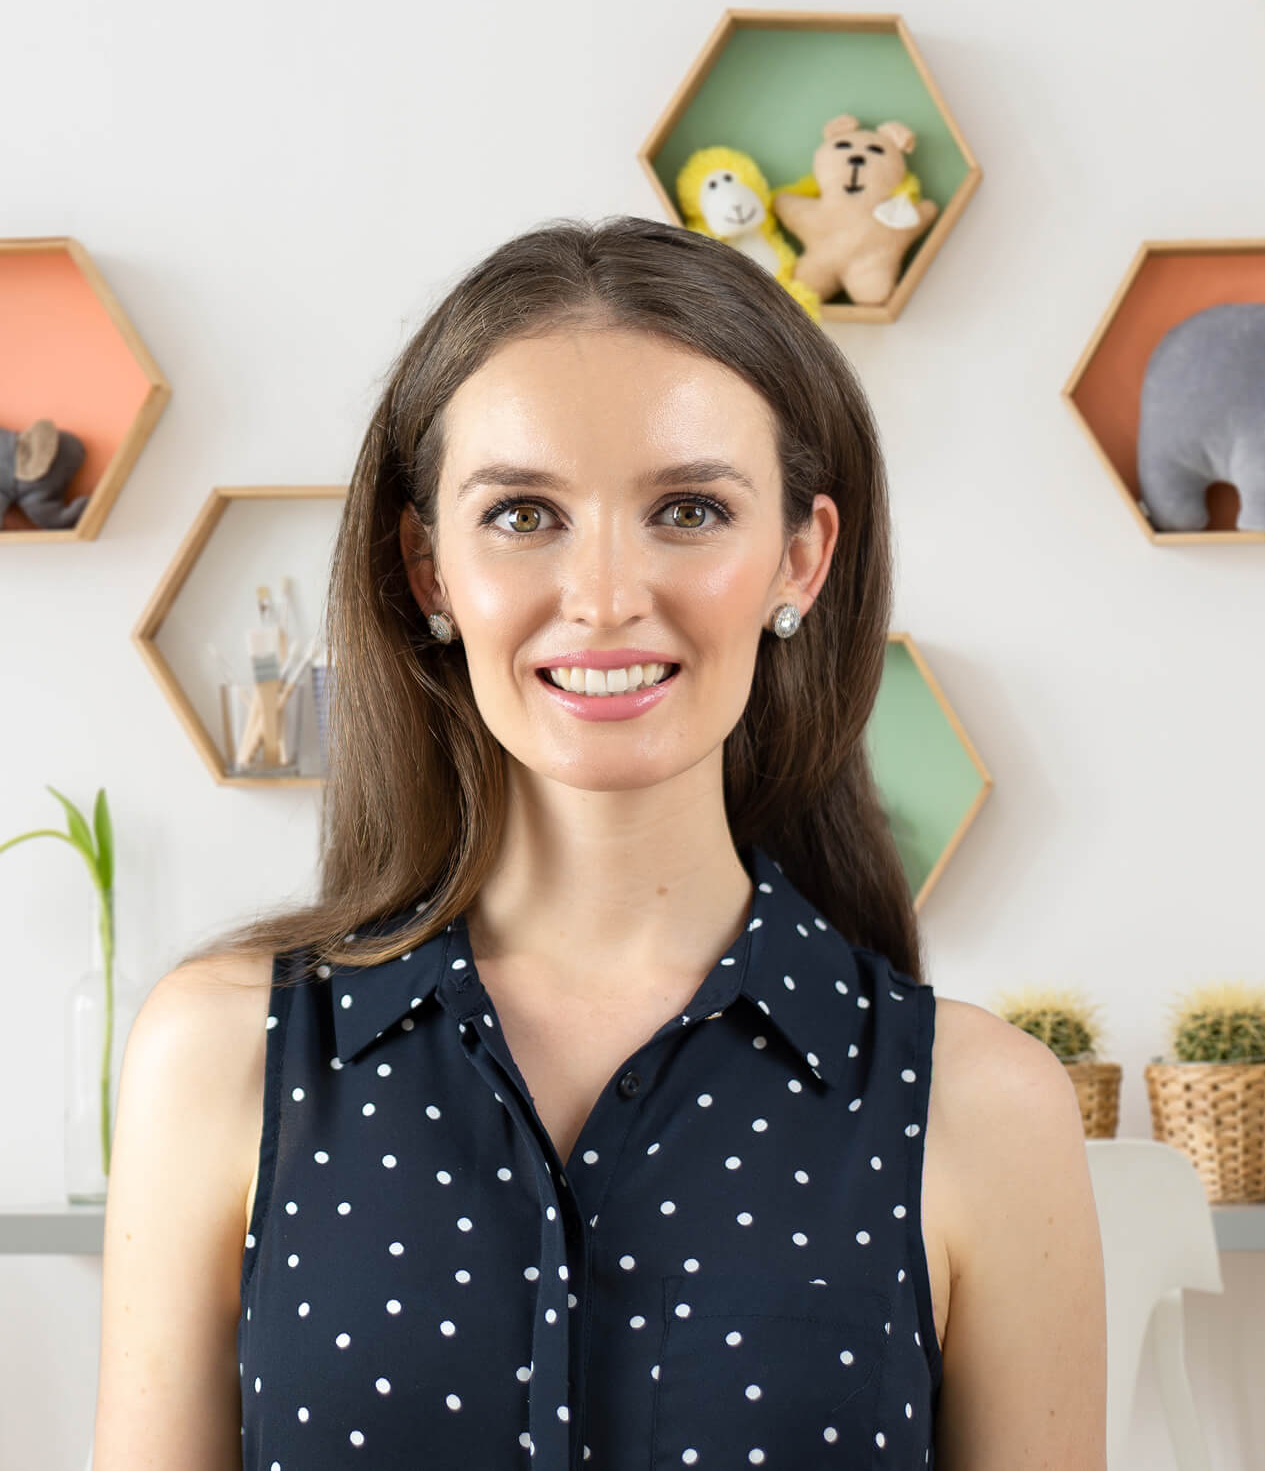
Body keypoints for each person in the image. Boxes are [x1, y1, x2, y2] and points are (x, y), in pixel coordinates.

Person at [91, 214, 1106, 1470]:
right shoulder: (220, 1061)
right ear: (428, 571)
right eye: (522, 515)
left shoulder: (987, 1111)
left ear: (801, 558)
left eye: (687, 508)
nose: (607, 595)